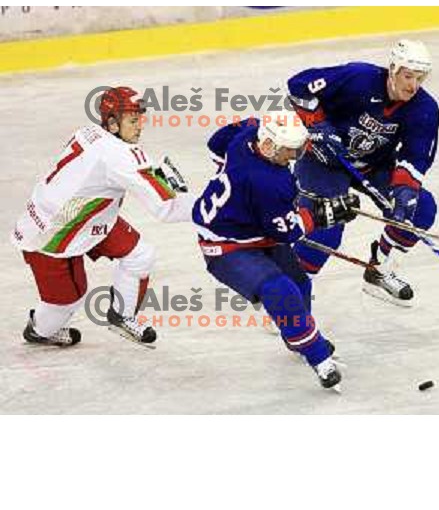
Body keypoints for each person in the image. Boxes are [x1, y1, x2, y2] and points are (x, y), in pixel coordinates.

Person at [11, 86, 194, 346]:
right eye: (133, 120)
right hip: (53, 235)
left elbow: (122, 164)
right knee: (67, 302)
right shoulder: (120, 156)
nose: (140, 126)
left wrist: (156, 176)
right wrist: (212, 206)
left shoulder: (89, 132)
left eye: (140, 118)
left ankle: (121, 315)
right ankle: (39, 331)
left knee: (140, 255)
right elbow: (166, 209)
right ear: (111, 124)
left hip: (77, 216)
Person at [195, 110, 359, 389]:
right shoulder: (269, 182)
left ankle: (296, 337)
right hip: (226, 247)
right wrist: (322, 214)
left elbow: (215, 142)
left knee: (300, 286)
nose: (294, 157)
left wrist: (231, 174)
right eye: (290, 151)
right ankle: (318, 357)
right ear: (269, 145)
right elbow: (288, 231)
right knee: (278, 289)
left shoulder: (249, 135)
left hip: (252, 228)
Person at [287, 40, 439, 306]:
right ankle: (287, 294)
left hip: (374, 165)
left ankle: (378, 270)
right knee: (328, 225)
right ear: (392, 69)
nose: (413, 85)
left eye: (420, 78)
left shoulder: (425, 108)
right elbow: (299, 84)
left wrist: (404, 192)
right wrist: (318, 126)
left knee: (421, 209)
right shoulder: (358, 78)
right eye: (407, 76)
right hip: (323, 159)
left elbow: (416, 156)